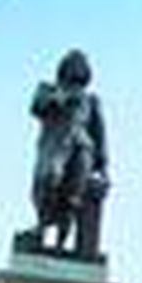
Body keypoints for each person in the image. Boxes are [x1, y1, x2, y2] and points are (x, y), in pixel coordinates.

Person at [29, 49, 109, 257]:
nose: (77, 69)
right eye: (73, 65)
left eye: (81, 66)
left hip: (82, 148)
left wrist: (103, 167)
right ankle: (41, 227)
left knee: (73, 196)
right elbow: (37, 107)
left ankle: (61, 240)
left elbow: (100, 133)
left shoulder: (91, 100)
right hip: (54, 146)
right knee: (47, 179)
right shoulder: (48, 88)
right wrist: (59, 99)